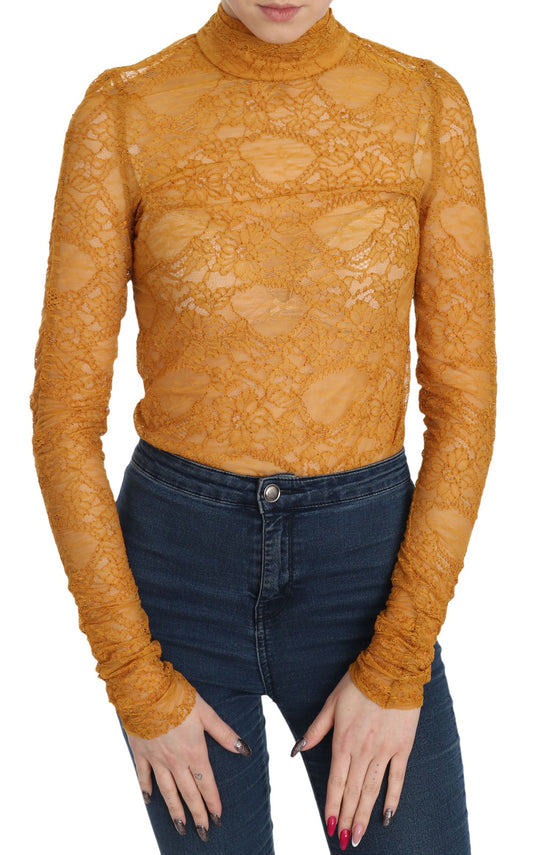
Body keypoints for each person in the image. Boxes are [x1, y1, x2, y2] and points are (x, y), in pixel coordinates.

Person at [29, 1, 496, 852]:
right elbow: (63, 415)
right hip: (179, 575)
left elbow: (463, 401)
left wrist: (399, 660)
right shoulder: (121, 112)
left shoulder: (425, 104)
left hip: (366, 576)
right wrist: (135, 680)